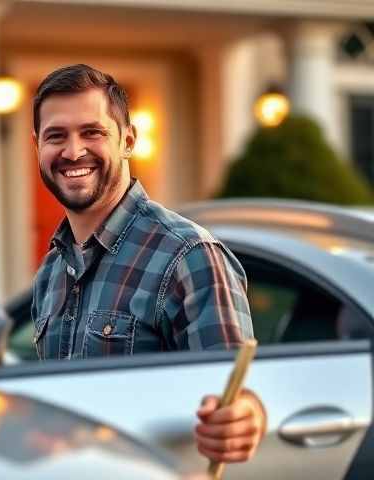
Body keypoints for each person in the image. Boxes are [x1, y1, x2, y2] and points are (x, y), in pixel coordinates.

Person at [30, 64, 265, 463]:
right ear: (37, 145)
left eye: (92, 132)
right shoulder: (52, 270)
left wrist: (246, 417)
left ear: (128, 140)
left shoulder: (189, 257)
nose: (72, 151)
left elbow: (233, 396)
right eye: (56, 136)